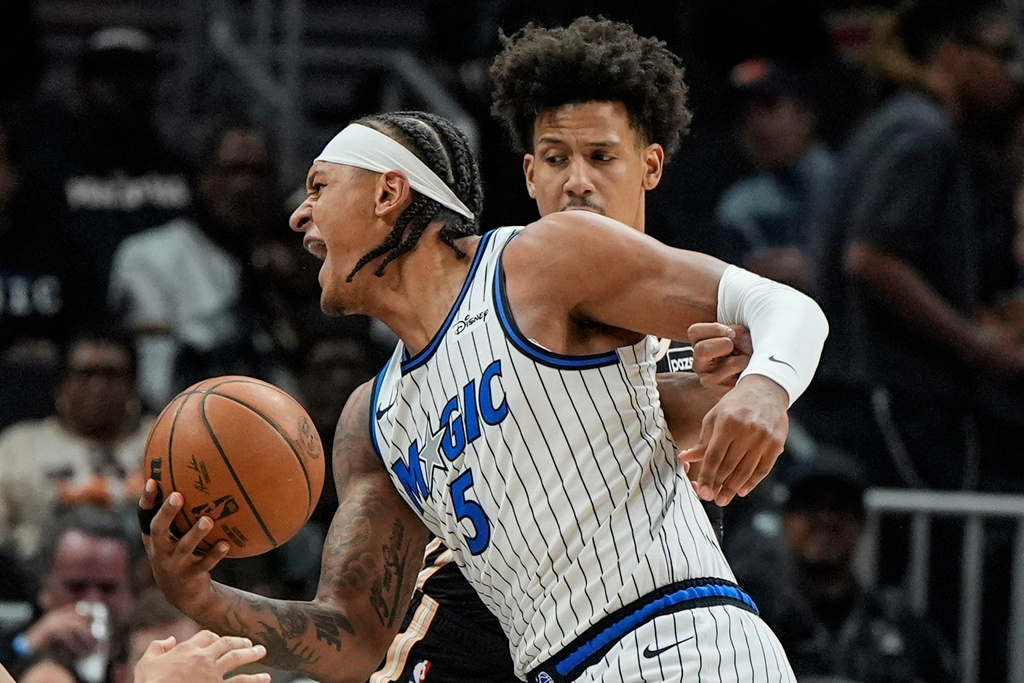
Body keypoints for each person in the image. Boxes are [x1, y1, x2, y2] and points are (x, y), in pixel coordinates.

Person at [141, 99, 827, 682]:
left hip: (681, 644)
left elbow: (781, 308)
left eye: (318, 187)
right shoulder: (371, 420)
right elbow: (354, 636)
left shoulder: (538, 262)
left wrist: (765, 389)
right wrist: (199, 592)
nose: (298, 217)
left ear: (388, 193)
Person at [371, 17, 758, 682]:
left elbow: (652, 401)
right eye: (556, 159)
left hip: (630, 629)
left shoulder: (684, 318)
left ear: (651, 164)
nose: (577, 181)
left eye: (601, 157)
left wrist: (737, 382)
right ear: (528, 174)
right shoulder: (488, 295)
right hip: (480, 623)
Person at [108, 122, 293, 411]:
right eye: (232, 170)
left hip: (270, 426)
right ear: (203, 179)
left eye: (257, 172)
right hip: (178, 422)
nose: (244, 186)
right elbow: (154, 378)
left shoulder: (284, 262)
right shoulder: (148, 255)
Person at [728, 450, 955, 682]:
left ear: (862, 522)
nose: (825, 521)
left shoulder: (898, 626)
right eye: (811, 506)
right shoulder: (752, 619)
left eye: (839, 507)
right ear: (786, 519)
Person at [0, 330, 152, 560]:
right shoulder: (19, 446)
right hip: (40, 581)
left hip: (147, 584)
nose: (98, 387)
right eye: (85, 374)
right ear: (63, 383)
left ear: (132, 384)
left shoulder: (162, 438)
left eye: (111, 375)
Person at [715, 58, 835, 293]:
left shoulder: (848, 186)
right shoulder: (737, 208)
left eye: (769, 106)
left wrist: (819, 277)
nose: (756, 125)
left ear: (805, 114)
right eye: (744, 115)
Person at [1, 506, 137, 681]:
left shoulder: (145, 648)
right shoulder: (18, 642)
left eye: (107, 588)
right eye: (76, 587)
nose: (92, 600)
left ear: (130, 592)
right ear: (46, 589)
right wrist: (27, 646)